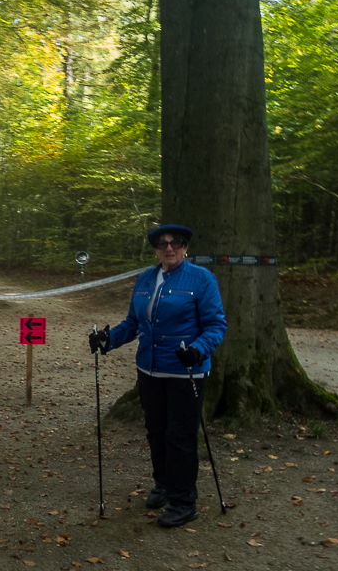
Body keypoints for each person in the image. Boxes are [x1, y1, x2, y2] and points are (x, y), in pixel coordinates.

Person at [89, 224, 227, 528]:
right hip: (149, 370)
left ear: (185, 247)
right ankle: (164, 485)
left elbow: (216, 325)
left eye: (176, 243)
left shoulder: (202, 279)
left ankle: (183, 501)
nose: (169, 248)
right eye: (162, 244)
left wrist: (198, 349)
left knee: (180, 437)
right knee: (156, 430)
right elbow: (133, 323)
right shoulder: (145, 280)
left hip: (185, 372)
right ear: (155, 249)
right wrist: (108, 339)